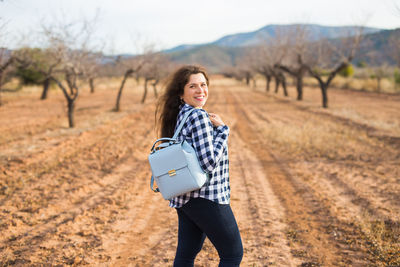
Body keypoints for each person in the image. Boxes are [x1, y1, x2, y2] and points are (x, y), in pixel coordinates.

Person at [156, 65, 243, 266]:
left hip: (186, 196)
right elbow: (209, 162)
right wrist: (223, 130)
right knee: (232, 254)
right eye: (193, 86)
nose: (200, 90)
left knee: (186, 255)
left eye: (203, 85)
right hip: (207, 197)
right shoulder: (198, 116)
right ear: (181, 93)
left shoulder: (182, 114)